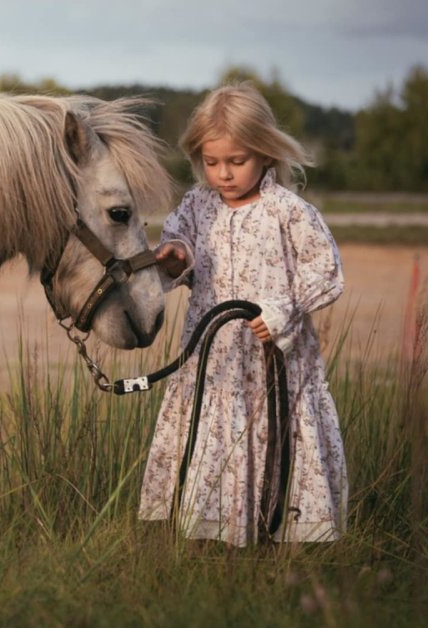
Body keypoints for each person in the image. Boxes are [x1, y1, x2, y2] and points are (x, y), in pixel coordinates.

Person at [138, 83, 347, 546]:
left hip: (272, 363)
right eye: (211, 162)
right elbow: (178, 244)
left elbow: (327, 272)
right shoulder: (196, 206)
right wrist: (175, 256)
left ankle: (276, 534)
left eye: (236, 161)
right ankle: (211, 537)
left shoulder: (288, 211)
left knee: (275, 438)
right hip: (212, 363)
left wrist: (283, 311)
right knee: (211, 435)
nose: (223, 174)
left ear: (265, 152)